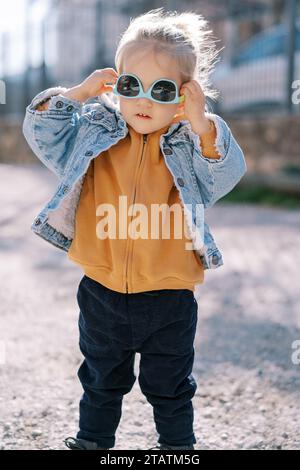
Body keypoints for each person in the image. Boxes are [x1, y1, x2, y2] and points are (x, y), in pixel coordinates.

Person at [22, 7, 247, 451]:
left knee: (170, 385)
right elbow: (42, 131)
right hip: (102, 288)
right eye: (131, 86)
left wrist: (203, 125)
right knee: (102, 378)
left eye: (162, 90)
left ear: (185, 96)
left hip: (170, 296)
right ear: (116, 84)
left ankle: (178, 449)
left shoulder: (190, 145)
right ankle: (93, 442)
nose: (143, 101)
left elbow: (224, 175)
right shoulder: (94, 132)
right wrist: (79, 93)